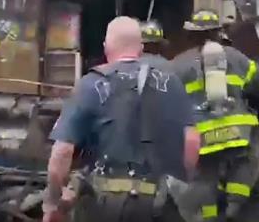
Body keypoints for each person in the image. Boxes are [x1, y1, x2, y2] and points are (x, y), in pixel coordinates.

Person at [42, 16, 200, 222]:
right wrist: (179, 186)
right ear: (140, 48)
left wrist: (54, 204)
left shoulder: (91, 84)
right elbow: (192, 142)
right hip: (157, 204)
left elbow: (62, 153)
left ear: (106, 47)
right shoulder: (171, 83)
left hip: (104, 206)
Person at [171, 9, 259, 221]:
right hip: (236, 131)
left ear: (192, 34)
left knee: (205, 179)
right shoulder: (233, 56)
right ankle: (234, 208)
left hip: (203, 135)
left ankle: (211, 217)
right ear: (217, 32)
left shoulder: (178, 64)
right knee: (242, 165)